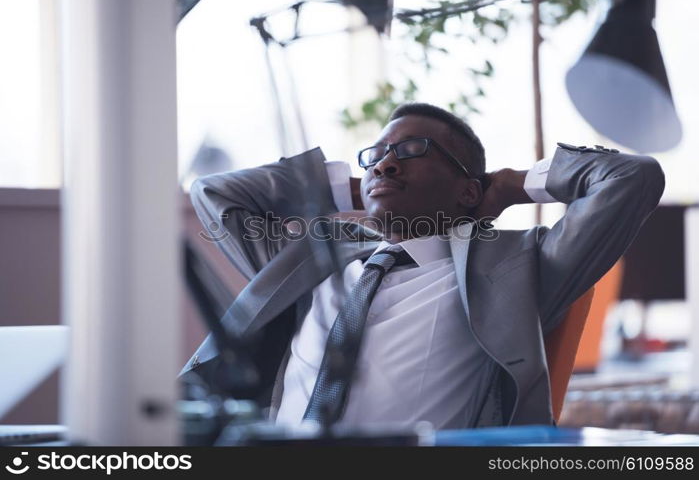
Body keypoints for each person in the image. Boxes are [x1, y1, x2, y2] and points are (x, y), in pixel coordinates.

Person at [179, 103, 664, 429]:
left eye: (412, 152)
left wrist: (515, 185)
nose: (386, 164)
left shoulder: (517, 266)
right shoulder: (312, 257)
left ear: (468, 191)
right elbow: (214, 193)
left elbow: (632, 178)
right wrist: (359, 187)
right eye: (378, 156)